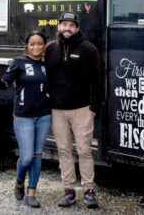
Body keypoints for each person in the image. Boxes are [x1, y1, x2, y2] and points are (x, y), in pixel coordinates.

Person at [0, 31, 50, 208]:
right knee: (26, 157)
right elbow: (5, 85)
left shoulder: (46, 66)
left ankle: (31, 193)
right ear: (27, 46)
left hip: (44, 116)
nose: (36, 47)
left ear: (44, 46)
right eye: (32, 44)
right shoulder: (18, 62)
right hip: (23, 117)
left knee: (37, 156)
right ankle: (19, 181)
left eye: (40, 43)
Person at [45, 11, 103, 209]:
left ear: (77, 28)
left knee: (85, 151)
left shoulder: (89, 49)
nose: (67, 28)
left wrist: (94, 108)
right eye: (64, 24)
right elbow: (46, 78)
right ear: (59, 27)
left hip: (82, 109)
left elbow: (98, 80)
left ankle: (88, 191)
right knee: (63, 151)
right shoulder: (51, 49)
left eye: (71, 25)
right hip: (58, 110)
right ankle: (68, 191)